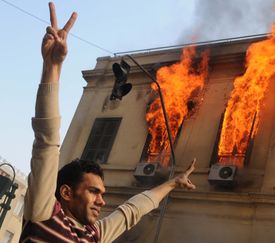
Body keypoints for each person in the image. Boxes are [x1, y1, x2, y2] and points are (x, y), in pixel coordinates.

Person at [19, 2, 196, 242]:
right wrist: (52, 68)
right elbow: (46, 142)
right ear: (66, 193)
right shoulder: (44, 214)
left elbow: (131, 211)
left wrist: (173, 184)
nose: (102, 201)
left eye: (101, 193)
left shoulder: (94, 235)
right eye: (94, 192)